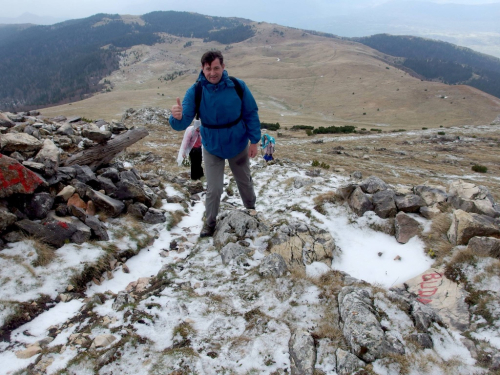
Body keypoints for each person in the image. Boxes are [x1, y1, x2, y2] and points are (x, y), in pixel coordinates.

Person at [169, 50, 261, 237]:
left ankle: (251, 210)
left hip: (238, 143)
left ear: (223, 67)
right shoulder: (196, 91)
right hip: (212, 146)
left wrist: (255, 141)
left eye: (216, 68)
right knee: (214, 189)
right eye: (208, 69)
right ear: (202, 69)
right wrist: (175, 118)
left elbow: (250, 112)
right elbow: (183, 121)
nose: (212, 73)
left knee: (244, 182)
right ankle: (209, 223)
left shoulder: (237, 86)